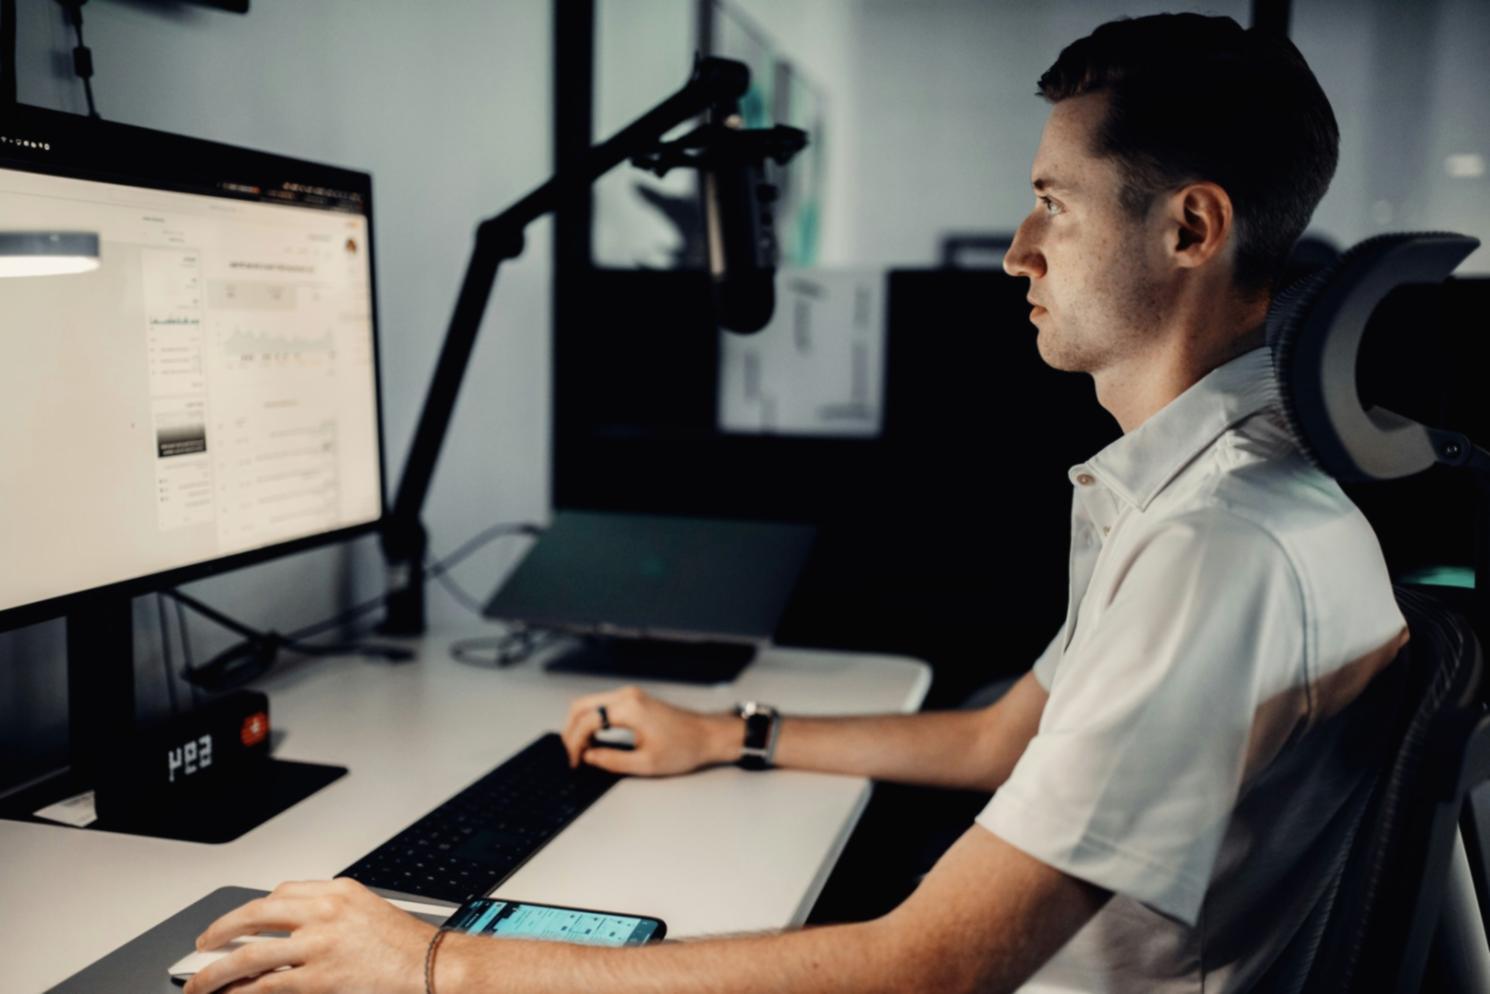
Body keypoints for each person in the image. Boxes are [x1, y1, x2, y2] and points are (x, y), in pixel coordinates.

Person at [184, 13, 1410, 994]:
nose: (1014, 251)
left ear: (1191, 226)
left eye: (1056, 202)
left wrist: (436, 963)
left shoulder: (1217, 546)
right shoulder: (1195, 488)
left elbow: (925, 967)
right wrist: (727, 733)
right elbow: (1001, 741)